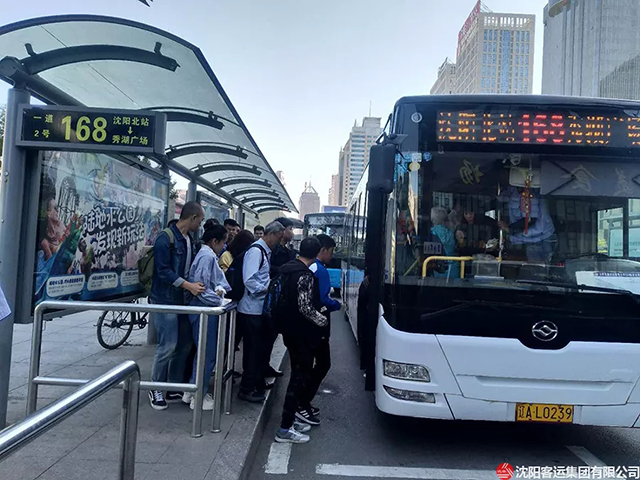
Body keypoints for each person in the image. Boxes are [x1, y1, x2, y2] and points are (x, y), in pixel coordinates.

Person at [148, 201, 205, 410]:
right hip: (165, 299)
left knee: (184, 344)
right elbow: (163, 271)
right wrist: (189, 285)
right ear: (193, 218)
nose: (200, 225)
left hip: (183, 300)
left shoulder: (190, 240)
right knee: (168, 345)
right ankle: (155, 387)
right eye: (200, 220)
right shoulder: (165, 238)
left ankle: (172, 385)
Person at [274, 237, 327, 444]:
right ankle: (285, 428)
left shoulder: (287, 269)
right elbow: (305, 308)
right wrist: (322, 320)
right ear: (316, 253)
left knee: (298, 375)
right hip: (301, 334)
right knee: (298, 378)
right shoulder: (304, 275)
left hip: (288, 330)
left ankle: (290, 422)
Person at [182, 223, 230, 411]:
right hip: (205, 308)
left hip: (203, 307)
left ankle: (192, 389)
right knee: (207, 353)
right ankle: (198, 395)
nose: (224, 246)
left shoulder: (206, 255)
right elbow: (200, 288)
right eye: (223, 242)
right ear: (215, 241)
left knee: (203, 352)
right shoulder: (207, 256)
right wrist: (218, 299)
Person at [238, 221, 285, 403]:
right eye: (279, 237)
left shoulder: (264, 251)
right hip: (251, 309)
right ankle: (246, 388)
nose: (279, 242)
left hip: (258, 309)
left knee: (258, 350)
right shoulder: (256, 252)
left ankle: (256, 382)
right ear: (271, 234)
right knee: (252, 350)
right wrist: (267, 289)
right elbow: (249, 280)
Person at [297, 234, 341, 424]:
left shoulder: (309, 266)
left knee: (308, 365)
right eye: (331, 251)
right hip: (317, 324)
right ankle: (302, 403)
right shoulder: (320, 270)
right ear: (322, 250)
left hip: (305, 324)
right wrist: (336, 305)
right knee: (322, 364)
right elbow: (322, 299)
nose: (332, 255)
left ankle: (302, 401)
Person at [262, 217, 298, 380]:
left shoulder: (289, 251)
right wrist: (284, 270)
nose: (291, 232)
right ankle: (261, 370)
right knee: (267, 336)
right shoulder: (272, 250)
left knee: (274, 335)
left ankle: (266, 366)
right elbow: (267, 269)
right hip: (272, 298)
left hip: (283, 298)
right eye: (289, 228)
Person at [498, 185, 557, 263]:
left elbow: (530, 219)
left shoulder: (530, 190)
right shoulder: (516, 188)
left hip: (539, 236)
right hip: (532, 236)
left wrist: (510, 229)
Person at [430, 207, 460, 278]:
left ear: (433, 219)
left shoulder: (432, 232)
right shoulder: (451, 232)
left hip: (438, 269)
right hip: (453, 267)